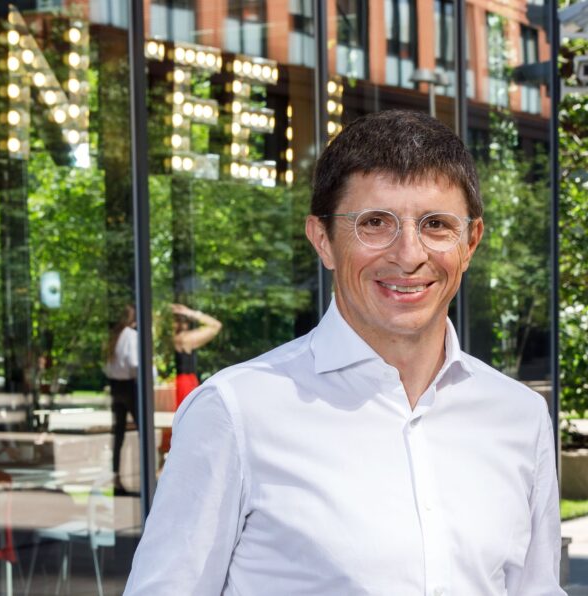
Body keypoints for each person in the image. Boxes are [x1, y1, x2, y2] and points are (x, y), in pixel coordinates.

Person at [124, 110, 565, 595]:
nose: (409, 254)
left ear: (470, 242)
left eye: (436, 224)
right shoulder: (235, 413)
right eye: (375, 223)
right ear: (323, 240)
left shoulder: (519, 416)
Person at [105, 304, 139, 494]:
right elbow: (134, 362)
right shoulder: (131, 336)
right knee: (144, 432)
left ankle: (116, 476)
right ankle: (148, 475)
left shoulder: (114, 336)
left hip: (116, 386)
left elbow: (107, 366)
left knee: (118, 434)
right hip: (129, 386)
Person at [171, 303, 222, 408]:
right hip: (186, 382)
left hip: (183, 381)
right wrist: (190, 312)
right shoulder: (185, 339)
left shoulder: (177, 338)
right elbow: (216, 325)